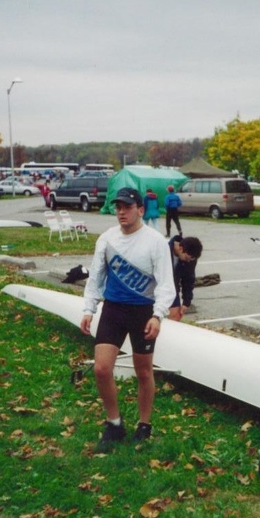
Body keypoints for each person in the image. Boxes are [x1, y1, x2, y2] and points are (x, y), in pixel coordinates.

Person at [80, 187, 176, 450]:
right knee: (101, 368)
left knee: (143, 371)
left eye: (127, 207)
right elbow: (96, 277)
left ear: (140, 210)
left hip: (142, 312)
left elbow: (167, 284)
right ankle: (114, 424)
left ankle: (144, 424)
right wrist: (89, 309)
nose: (121, 212)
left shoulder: (155, 241)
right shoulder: (107, 239)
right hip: (113, 309)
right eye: (117, 207)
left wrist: (158, 315)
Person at [168, 235, 203, 321]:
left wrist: (186, 302)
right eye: (187, 258)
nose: (188, 261)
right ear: (180, 249)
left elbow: (188, 280)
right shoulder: (163, 249)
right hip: (154, 288)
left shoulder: (191, 258)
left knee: (176, 316)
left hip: (172, 289)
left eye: (191, 259)